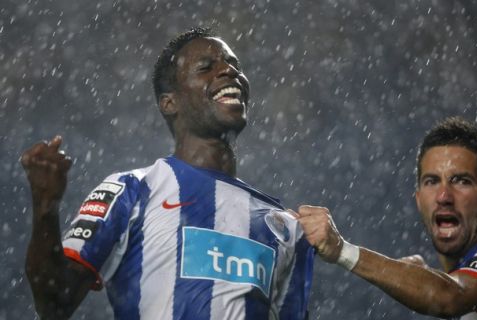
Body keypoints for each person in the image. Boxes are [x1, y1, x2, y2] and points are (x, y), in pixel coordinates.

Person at [21, 27, 314, 320]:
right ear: (169, 102)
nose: (228, 71)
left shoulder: (283, 226)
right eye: (206, 67)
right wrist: (45, 204)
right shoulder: (130, 190)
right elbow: (54, 302)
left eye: (234, 65)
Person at [297, 116, 477, 319]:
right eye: (432, 181)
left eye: (462, 181)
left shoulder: (456, 293)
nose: (444, 196)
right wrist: (426, 278)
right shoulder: (458, 280)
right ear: (418, 199)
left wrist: (342, 250)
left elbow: (451, 297)